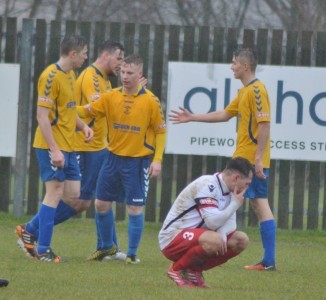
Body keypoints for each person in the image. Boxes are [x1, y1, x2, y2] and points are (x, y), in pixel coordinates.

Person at [169, 48, 276, 271]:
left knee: (259, 205)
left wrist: (257, 159)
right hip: (243, 159)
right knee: (255, 206)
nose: (232, 66)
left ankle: (266, 261)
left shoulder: (257, 91)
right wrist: (192, 117)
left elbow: (265, 124)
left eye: (235, 62)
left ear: (245, 66)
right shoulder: (244, 91)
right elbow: (225, 114)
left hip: (249, 162)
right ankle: (265, 260)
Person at [77, 54, 167, 264]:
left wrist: (157, 159)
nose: (125, 77)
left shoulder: (151, 101)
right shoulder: (110, 96)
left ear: (140, 75)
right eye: (123, 72)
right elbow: (88, 111)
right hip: (112, 159)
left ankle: (132, 255)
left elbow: (161, 132)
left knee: (134, 208)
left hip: (137, 162)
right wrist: (65, 108)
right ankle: (108, 248)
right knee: (100, 204)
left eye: (130, 73)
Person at [16, 34, 93, 262]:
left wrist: (82, 126)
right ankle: (43, 250)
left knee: (74, 196)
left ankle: (30, 229)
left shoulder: (71, 74)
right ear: (73, 54)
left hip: (69, 146)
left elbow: (68, 110)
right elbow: (42, 116)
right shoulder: (50, 76)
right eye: (84, 53)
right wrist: (54, 150)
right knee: (55, 192)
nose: (86, 57)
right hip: (52, 146)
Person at [159, 157, 253, 288]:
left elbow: (231, 225)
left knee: (241, 240)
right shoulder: (207, 185)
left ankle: (193, 271)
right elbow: (213, 223)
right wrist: (234, 205)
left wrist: (222, 236)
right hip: (172, 238)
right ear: (236, 178)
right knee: (215, 240)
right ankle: (175, 270)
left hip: (197, 238)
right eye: (247, 183)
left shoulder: (229, 191)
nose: (247, 188)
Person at [74, 40, 126, 261]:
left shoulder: (104, 80)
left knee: (103, 197)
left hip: (100, 146)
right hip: (87, 146)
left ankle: (109, 247)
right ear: (106, 56)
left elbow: (110, 106)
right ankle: (32, 229)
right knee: (82, 201)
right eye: (119, 59)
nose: (121, 65)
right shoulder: (91, 77)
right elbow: (104, 108)